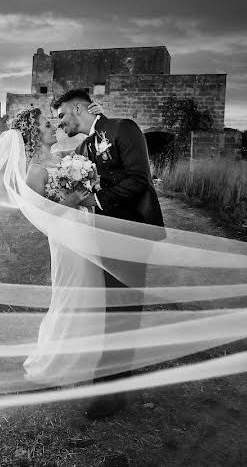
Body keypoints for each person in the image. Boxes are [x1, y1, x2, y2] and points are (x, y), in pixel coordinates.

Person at [52, 88, 165, 420]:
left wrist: (96, 202)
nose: (60, 123)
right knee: (110, 309)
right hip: (102, 237)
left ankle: (111, 392)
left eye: (61, 116)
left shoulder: (122, 129)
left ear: (77, 109)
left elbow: (139, 179)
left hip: (131, 233)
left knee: (123, 310)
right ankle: (110, 379)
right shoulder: (86, 146)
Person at [10, 106, 107, 386]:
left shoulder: (60, 158)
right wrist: (73, 201)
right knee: (70, 295)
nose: (53, 127)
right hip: (65, 239)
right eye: (45, 125)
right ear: (33, 134)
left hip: (84, 229)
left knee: (91, 292)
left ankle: (85, 357)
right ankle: (56, 361)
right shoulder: (35, 171)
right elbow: (37, 214)